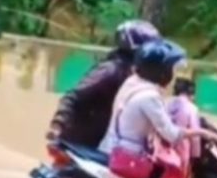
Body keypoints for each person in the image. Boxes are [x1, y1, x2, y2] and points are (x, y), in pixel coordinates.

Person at [98, 39, 217, 178]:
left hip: (114, 145)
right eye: (172, 69)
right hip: (130, 154)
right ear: (162, 71)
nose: (174, 74)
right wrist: (203, 133)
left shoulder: (134, 83)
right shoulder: (151, 97)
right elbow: (172, 134)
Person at [46, 20, 161, 151]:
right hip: (80, 143)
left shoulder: (135, 75)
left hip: (104, 144)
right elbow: (74, 96)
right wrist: (58, 124)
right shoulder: (111, 70)